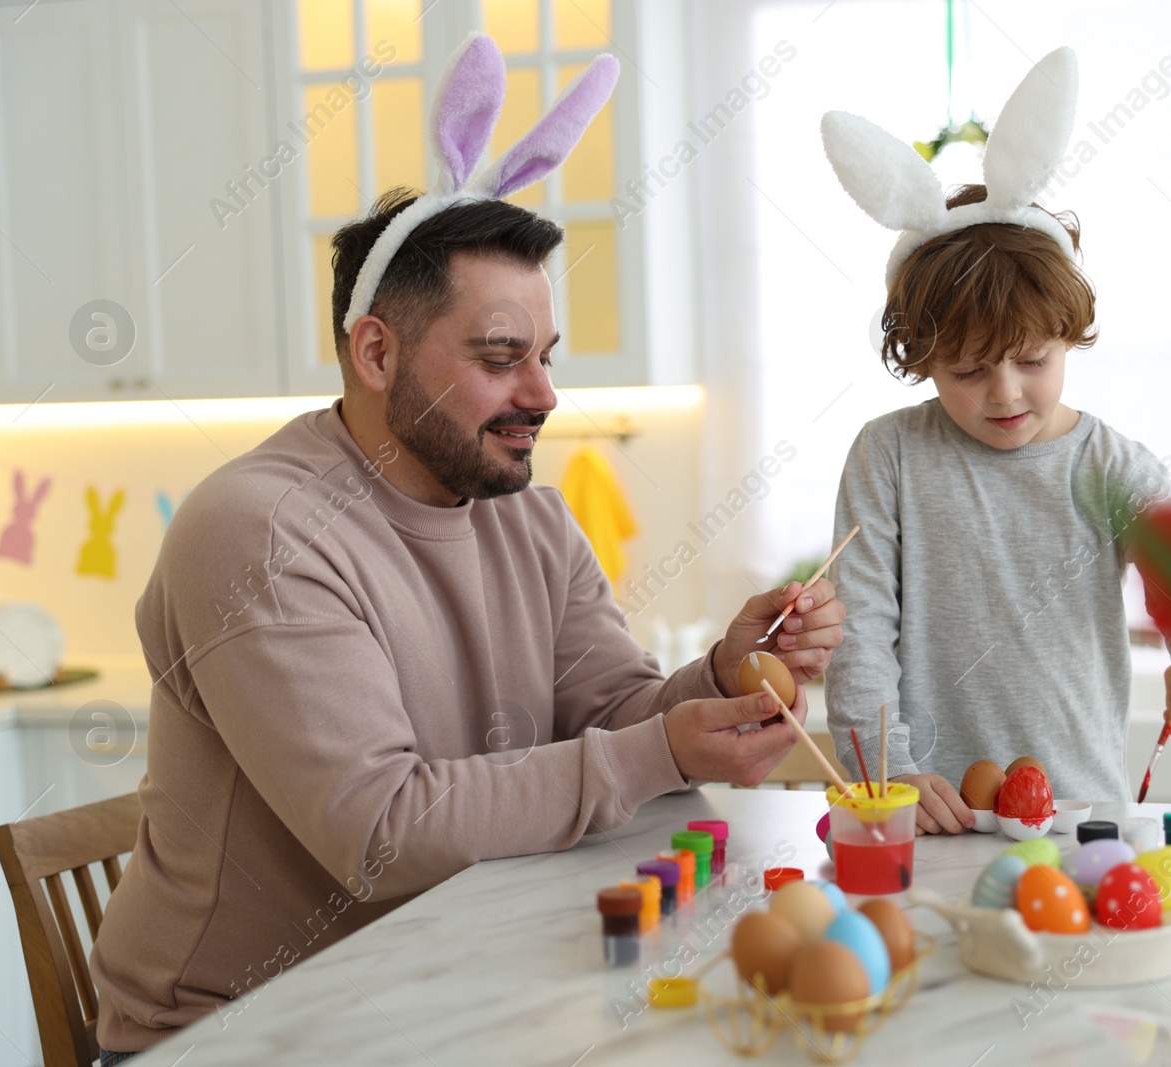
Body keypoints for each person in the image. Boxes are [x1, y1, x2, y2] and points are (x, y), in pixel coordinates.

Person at [90, 36, 844, 1058]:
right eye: (500, 358)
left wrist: (717, 675)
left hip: (441, 971)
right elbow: (381, 830)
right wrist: (658, 747)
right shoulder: (257, 530)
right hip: (241, 1025)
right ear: (375, 350)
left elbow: (611, 716)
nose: (542, 394)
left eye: (543, 356)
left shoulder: (524, 508)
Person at [820, 48, 1171, 835]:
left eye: (1032, 359)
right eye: (967, 369)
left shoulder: (1111, 466)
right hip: (931, 818)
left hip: (1084, 820)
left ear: (1069, 336)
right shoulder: (886, 458)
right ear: (921, 359)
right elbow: (859, 641)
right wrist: (889, 778)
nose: (1006, 393)